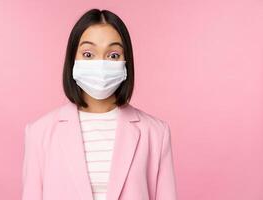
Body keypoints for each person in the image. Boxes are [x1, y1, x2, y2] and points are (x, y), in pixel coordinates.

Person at [22, 8, 177, 200]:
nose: (101, 64)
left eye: (113, 55)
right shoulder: (40, 133)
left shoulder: (156, 134)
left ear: (126, 63)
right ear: (72, 61)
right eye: (88, 54)